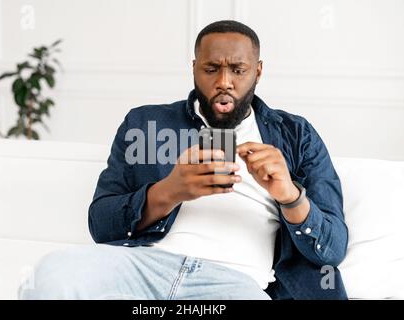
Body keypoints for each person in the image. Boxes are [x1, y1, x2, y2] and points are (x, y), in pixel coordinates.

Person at [19, 20, 348, 300]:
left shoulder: (296, 134)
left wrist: (290, 195)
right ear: (194, 68)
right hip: (142, 270)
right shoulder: (146, 124)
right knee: (52, 272)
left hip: (233, 284)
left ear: (258, 72)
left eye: (238, 69)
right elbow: (100, 224)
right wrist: (170, 191)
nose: (223, 82)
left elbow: (332, 248)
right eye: (211, 68)